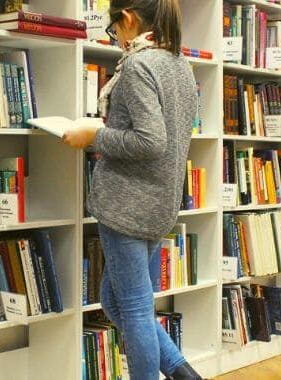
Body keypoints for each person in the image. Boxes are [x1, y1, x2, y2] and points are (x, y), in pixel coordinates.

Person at [63, 1, 202, 379]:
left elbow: (150, 141)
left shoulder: (139, 65)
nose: (116, 38)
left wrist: (94, 135)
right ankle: (182, 372)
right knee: (114, 300)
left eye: (114, 29)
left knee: (137, 309)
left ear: (127, 19)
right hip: (159, 201)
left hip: (127, 202)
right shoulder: (180, 65)